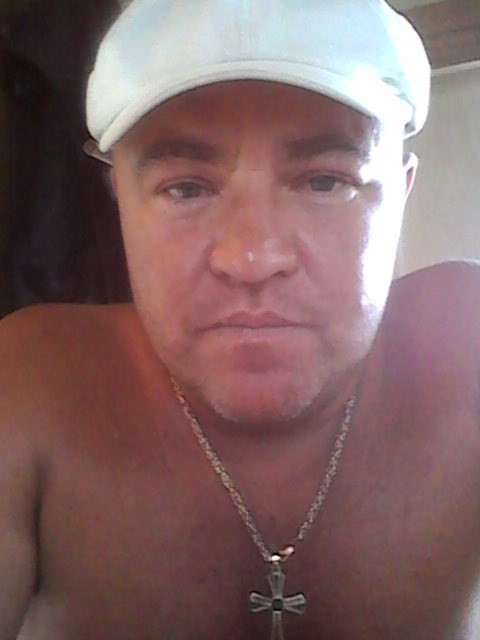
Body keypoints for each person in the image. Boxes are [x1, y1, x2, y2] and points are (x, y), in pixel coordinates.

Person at [1, 0, 479, 638]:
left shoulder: (467, 350)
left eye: (324, 182)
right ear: (121, 200)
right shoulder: (29, 385)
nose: (252, 258)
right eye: (186, 188)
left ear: (402, 191)